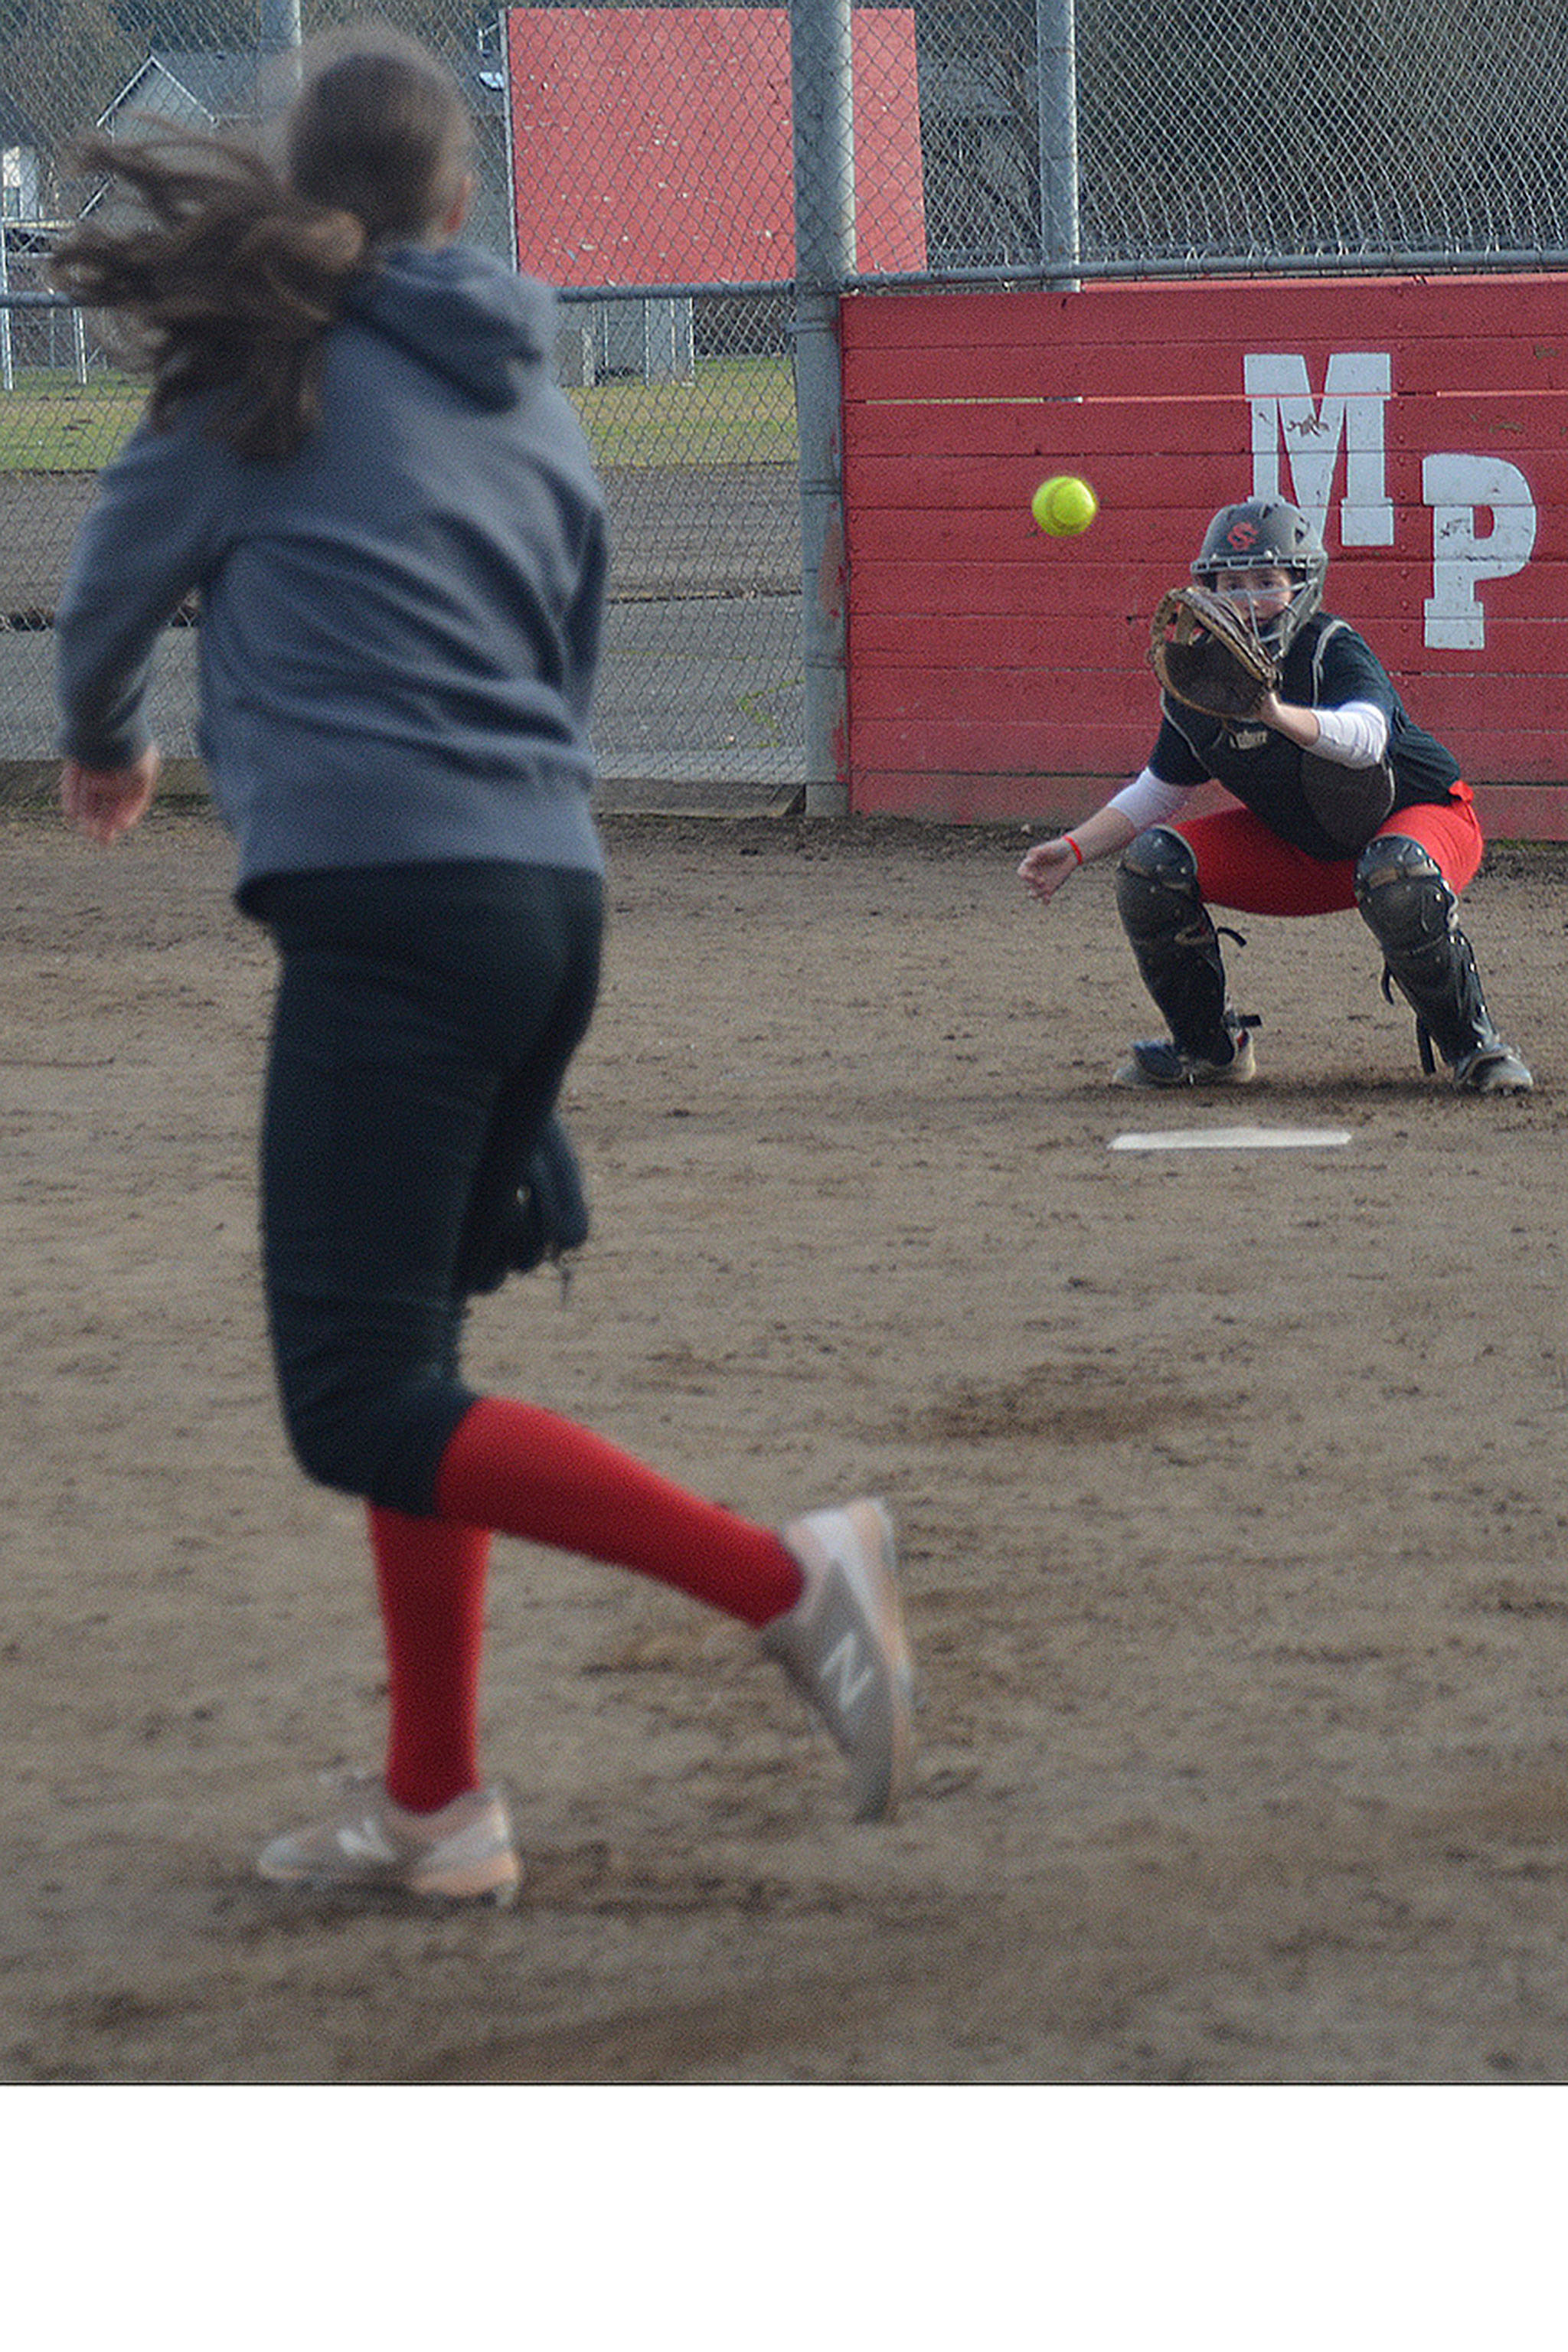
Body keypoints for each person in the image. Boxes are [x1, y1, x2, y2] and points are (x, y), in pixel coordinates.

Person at [50, 28, 914, 1906]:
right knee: (412, 1360)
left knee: (354, 1396)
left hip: (394, 909)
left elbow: (108, 593)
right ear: (459, 205)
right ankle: (436, 1803)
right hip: (541, 897)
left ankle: (785, 1581)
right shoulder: (533, 395)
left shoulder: (260, 370)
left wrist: (109, 743)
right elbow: (561, 656)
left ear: (300, 193)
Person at [1018, 497, 1534, 1095]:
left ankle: (1477, 1049)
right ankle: (1211, 1051)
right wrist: (1074, 849)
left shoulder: (1327, 645)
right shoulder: (1198, 674)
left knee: (1396, 871)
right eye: (1231, 584)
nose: (1246, 599)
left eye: (1266, 581)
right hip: (1308, 846)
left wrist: (1274, 713)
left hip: (1423, 822)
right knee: (1152, 868)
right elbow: (1160, 790)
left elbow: (1367, 739)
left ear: (1301, 585)